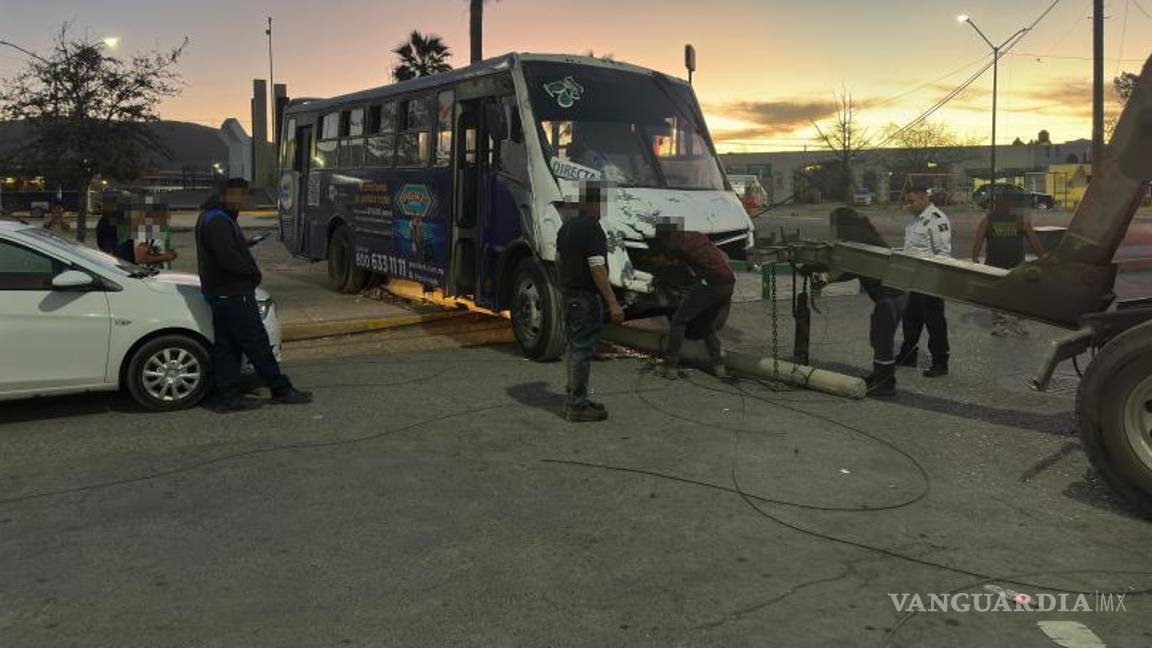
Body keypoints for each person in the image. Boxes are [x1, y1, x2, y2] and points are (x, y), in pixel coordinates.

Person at [196, 178, 311, 411]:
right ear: (230, 195)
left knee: (228, 347)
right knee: (257, 343)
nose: (244, 201)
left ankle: (228, 395)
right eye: (242, 196)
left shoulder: (211, 216)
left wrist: (242, 244)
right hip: (234, 292)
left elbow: (223, 249)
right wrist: (252, 275)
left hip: (221, 294)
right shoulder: (219, 220)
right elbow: (227, 259)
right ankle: (280, 389)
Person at [556, 181, 625, 423]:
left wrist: (566, 285)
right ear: (594, 204)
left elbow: (559, 262)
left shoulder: (566, 228)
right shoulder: (593, 230)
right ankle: (577, 406)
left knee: (574, 348)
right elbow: (597, 268)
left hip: (569, 295)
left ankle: (575, 395)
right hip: (585, 298)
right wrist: (613, 302)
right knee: (583, 351)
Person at [649, 221, 734, 381]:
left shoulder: (675, 244)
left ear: (665, 236)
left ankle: (670, 367)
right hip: (728, 283)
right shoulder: (697, 234)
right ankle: (719, 366)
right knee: (706, 323)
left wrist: (656, 262)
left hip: (710, 284)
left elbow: (668, 261)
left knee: (679, 321)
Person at [897, 186, 952, 378]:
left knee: (935, 322)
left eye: (911, 201)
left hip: (930, 279)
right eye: (907, 201)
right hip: (913, 278)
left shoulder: (937, 219)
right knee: (910, 319)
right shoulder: (915, 220)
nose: (908, 205)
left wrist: (935, 280)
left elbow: (943, 253)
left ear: (923, 199)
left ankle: (940, 362)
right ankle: (908, 356)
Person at [972, 196, 1046, 336]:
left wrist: (1042, 257)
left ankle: (1020, 321)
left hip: (1016, 264)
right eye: (1000, 203)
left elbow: (1033, 239)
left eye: (1006, 203)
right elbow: (979, 239)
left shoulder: (1021, 220)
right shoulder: (988, 220)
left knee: (1020, 295)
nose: (1004, 206)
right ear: (995, 205)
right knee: (997, 295)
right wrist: (975, 258)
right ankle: (999, 323)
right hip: (994, 264)